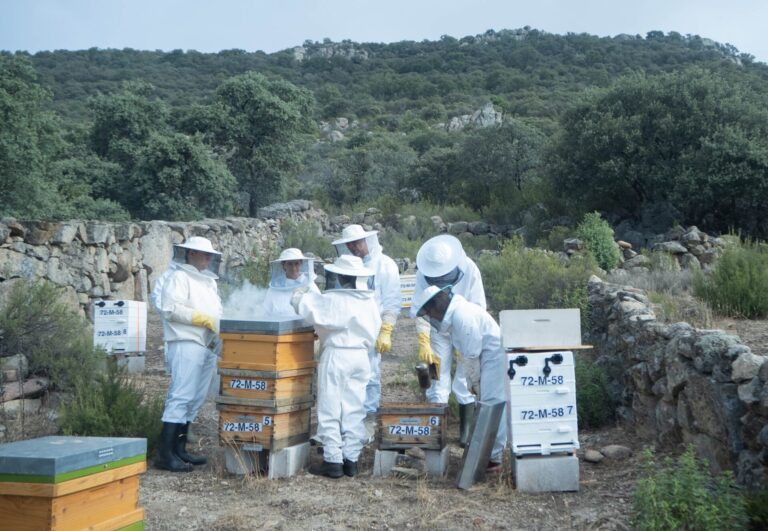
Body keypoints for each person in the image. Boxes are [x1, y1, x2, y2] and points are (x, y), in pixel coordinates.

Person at [291, 255, 381, 479]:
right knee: (354, 408)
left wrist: (301, 290)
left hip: (337, 354)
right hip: (361, 357)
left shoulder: (333, 299)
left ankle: (332, 461)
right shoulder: (369, 301)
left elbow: (302, 306)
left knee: (330, 407)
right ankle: (351, 460)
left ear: (340, 277)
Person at [412, 285, 507, 472]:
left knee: (492, 404)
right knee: (487, 403)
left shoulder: (462, 315)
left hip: (493, 358)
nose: (431, 316)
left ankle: (494, 457)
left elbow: (471, 356)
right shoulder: (458, 314)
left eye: (430, 311)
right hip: (486, 358)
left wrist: (475, 384)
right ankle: (489, 454)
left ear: (438, 304)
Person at [412, 234, 486, 447]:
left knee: (464, 380)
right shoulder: (422, 274)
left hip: (465, 330)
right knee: (436, 378)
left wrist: (466, 342)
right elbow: (420, 308)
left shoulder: (469, 269)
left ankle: (465, 433)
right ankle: (437, 430)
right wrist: (423, 339)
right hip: (436, 332)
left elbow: (478, 306)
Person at [156, 236, 223, 472]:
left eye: (210, 255)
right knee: (181, 396)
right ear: (190, 254)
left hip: (206, 345)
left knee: (195, 398)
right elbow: (170, 309)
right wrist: (202, 318)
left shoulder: (208, 282)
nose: (208, 258)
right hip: (185, 341)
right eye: (204, 254)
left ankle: (180, 450)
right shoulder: (178, 277)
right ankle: (165, 455)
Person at [332, 224, 400, 420]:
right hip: (349, 328)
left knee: (370, 375)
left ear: (367, 240)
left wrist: (386, 330)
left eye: (356, 243)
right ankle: (350, 417)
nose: (353, 248)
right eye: (349, 245)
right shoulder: (348, 266)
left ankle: (369, 418)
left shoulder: (385, 264)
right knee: (349, 376)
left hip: (373, 328)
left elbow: (392, 301)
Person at [261, 248, 320, 317]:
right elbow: (265, 312)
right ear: (284, 265)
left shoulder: (310, 285)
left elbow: (319, 309)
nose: (293, 268)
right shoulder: (274, 288)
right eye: (290, 264)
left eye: (296, 263)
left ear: (301, 264)